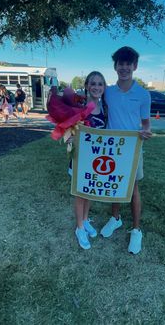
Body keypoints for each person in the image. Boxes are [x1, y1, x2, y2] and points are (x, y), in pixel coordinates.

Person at [100, 46, 152, 255]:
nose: (124, 67)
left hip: (132, 149)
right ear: (115, 66)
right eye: (120, 63)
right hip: (111, 148)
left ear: (135, 66)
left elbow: (146, 124)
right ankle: (115, 219)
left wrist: (146, 132)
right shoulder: (108, 92)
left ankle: (137, 230)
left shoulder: (143, 94)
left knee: (133, 189)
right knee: (114, 185)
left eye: (128, 63)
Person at [71, 71, 107, 250]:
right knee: (80, 194)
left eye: (100, 84)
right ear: (86, 86)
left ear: (104, 87)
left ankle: (85, 220)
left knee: (90, 191)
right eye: (93, 83)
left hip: (96, 161)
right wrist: (69, 137)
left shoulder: (105, 109)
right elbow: (68, 132)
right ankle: (79, 228)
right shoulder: (79, 107)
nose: (96, 87)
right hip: (79, 159)